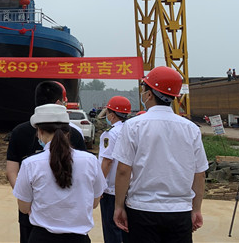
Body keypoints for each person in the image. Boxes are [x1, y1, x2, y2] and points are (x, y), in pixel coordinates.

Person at [113, 66, 208, 243]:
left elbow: (123, 171)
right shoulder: (191, 129)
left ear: (149, 94)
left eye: (143, 90)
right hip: (179, 212)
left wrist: (118, 206)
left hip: (142, 210)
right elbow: (199, 173)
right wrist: (196, 209)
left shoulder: (134, 126)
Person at [6, 81, 86, 243]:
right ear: (58, 103)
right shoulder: (74, 134)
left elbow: (12, 171)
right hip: (69, 217)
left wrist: (27, 198)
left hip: (32, 216)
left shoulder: (19, 132)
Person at [13, 104, 106, 242]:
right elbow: (94, 202)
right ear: (68, 133)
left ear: (40, 132)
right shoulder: (90, 161)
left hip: (42, 238)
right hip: (78, 239)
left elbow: (24, 207)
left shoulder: (30, 164)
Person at [98, 96, 131, 243]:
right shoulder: (132, 130)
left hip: (111, 190)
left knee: (112, 229)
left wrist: (98, 186)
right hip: (130, 188)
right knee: (127, 229)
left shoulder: (110, 133)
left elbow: (107, 161)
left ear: (112, 114)